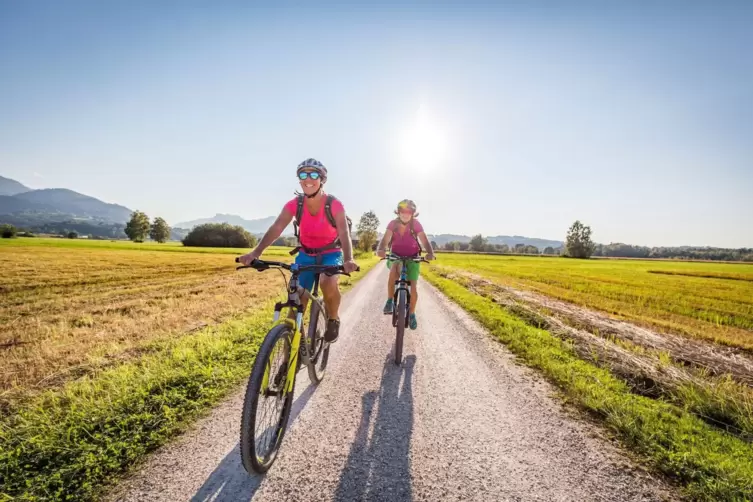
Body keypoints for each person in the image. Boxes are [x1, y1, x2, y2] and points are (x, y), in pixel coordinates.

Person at [239, 158, 358, 343]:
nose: (308, 179)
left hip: (331, 253)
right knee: (296, 300)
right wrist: (256, 253)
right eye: (303, 174)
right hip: (306, 254)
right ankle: (288, 360)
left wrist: (349, 259)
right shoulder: (295, 204)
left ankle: (333, 319)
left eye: (313, 174)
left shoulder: (334, 204)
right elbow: (277, 228)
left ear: (322, 179)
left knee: (327, 282)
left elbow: (343, 232)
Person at [375, 199, 435, 330]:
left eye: (409, 211)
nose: (405, 214)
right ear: (398, 212)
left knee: (413, 286)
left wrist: (430, 252)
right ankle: (390, 300)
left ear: (413, 213)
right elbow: (385, 239)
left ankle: (412, 314)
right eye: (402, 211)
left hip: (413, 257)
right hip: (395, 255)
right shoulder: (393, 224)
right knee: (394, 270)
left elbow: (424, 240)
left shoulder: (416, 224)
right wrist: (380, 250)